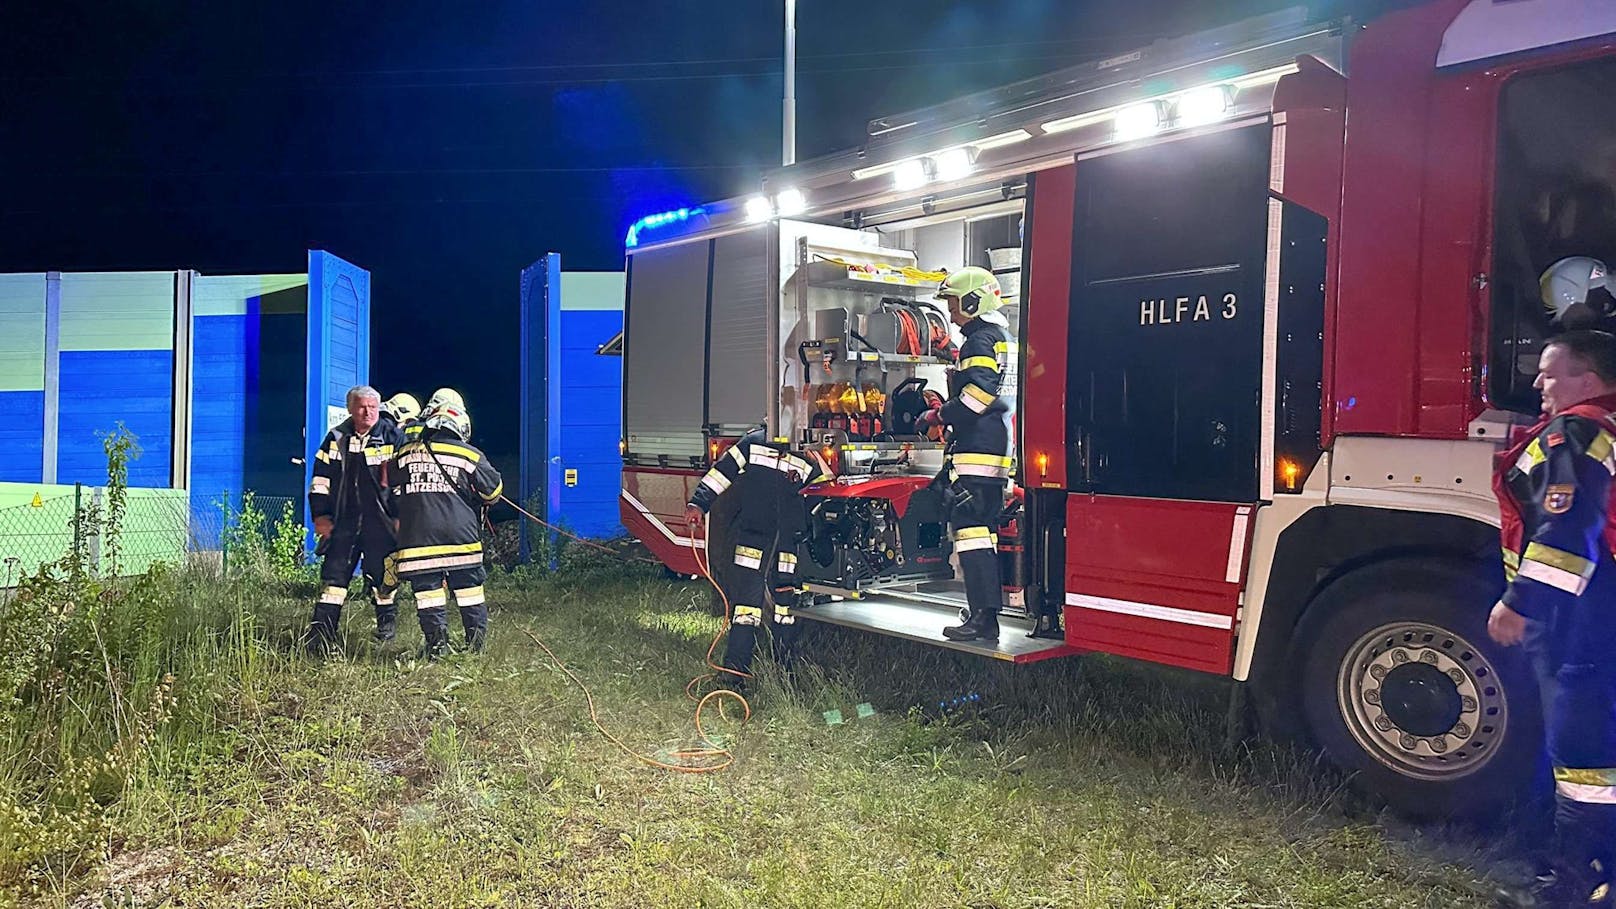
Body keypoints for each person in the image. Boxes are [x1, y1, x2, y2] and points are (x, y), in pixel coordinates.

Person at [1491, 329, 1616, 908]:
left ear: (1588, 381)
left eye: (1551, 372)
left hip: (1579, 618)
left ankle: (1574, 885)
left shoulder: (1576, 429)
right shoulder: (1604, 427)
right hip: (1597, 609)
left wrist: (1520, 604)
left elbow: (1568, 531)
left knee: (1583, 759)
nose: (1539, 383)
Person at [913, 266, 1016, 643]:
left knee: (970, 532)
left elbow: (978, 396)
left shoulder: (979, 341)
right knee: (981, 534)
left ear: (974, 301)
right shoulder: (1001, 337)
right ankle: (983, 613)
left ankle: (982, 620)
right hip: (994, 446)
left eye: (955, 304)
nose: (952, 313)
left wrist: (937, 414)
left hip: (977, 450)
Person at [684, 427, 830, 686]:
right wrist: (698, 504)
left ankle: (783, 675)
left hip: (788, 547)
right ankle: (735, 674)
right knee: (745, 610)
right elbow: (721, 473)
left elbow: (819, 499)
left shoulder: (806, 457)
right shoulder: (754, 443)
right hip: (752, 540)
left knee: (786, 612)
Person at [389, 400, 503, 659]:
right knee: (469, 594)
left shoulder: (406, 453)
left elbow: (393, 490)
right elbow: (493, 491)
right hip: (460, 540)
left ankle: (437, 648)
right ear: (462, 427)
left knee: (428, 597)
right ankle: (474, 649)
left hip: (417, 540)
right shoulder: (470, 454)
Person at [307, 385, 407, 650]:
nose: (368, 412)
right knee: (334, 580)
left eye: (373, 407)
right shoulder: (336, 437)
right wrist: (320, 516)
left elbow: (402, 482)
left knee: (384, 580)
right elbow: (320, 481)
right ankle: (321, 637)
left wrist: (399, 517)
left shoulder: (393, 437)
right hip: (344, 522)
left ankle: (386, 631)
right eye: (362, 407)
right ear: (350, 408)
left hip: (381, 523)